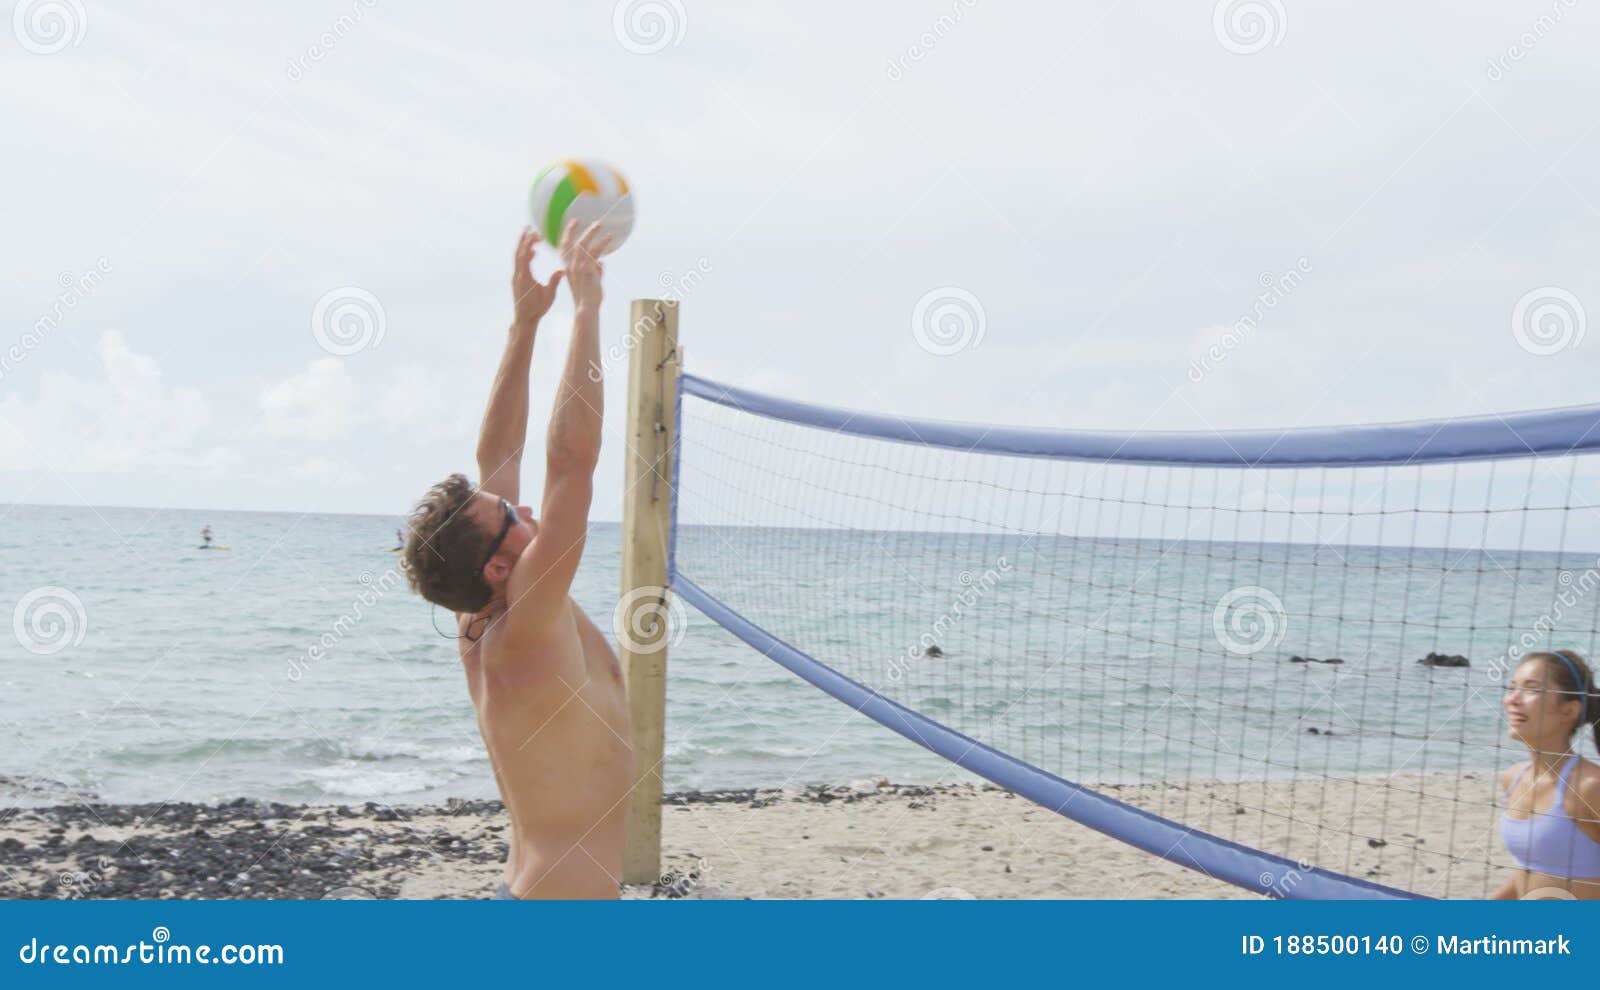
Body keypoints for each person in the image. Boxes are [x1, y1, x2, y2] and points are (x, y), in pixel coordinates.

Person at [400, 221, 630, 899]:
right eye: (510, 518)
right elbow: (572, 464)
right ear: (498, 569)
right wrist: (588, 313)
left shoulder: (482, 614)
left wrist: (525, 323)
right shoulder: (527, 622)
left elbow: (496, 463)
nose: (521, 508)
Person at [1493, 649, 1600, 899]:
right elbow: (1531, 871)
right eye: (1512, 688)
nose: (1512, 700)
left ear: (1569, 711)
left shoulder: (1590, 787)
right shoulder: (1514, 778)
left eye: (1531, 689)